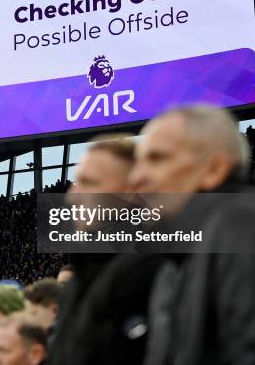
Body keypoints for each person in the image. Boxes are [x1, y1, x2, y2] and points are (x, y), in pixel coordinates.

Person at [129, 105, 255, 365]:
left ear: (214, 169)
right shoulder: (178, 255)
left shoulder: (246, 226)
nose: (136, 177)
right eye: (138, 163)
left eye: (157, 159)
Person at [50, 136, 167, 365]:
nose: (72, 196)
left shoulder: (154, 268)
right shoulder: (81, 278)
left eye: (89, 182)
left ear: (134, 190)